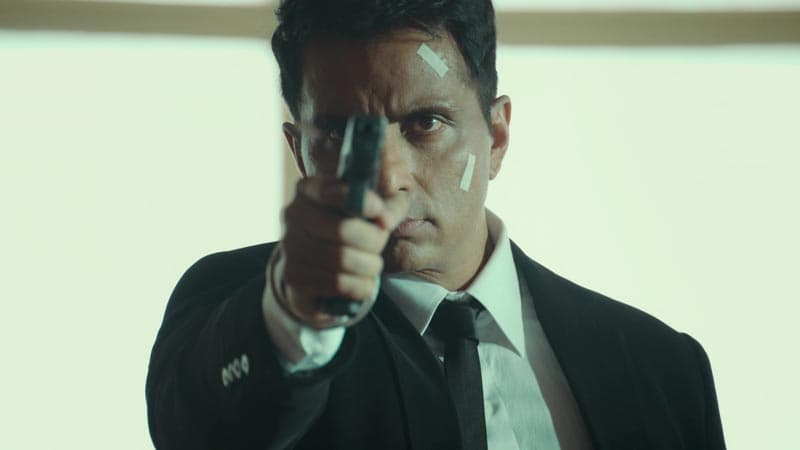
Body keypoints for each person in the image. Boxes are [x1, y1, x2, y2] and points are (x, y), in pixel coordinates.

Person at [146, 0, 726, 449]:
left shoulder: (660, 368)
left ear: (496, 136)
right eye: (341, 134)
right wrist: (292, 317)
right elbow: (201, 428)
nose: (387, 178)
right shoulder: (238, 308)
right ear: (300, 152)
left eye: (425, 123)